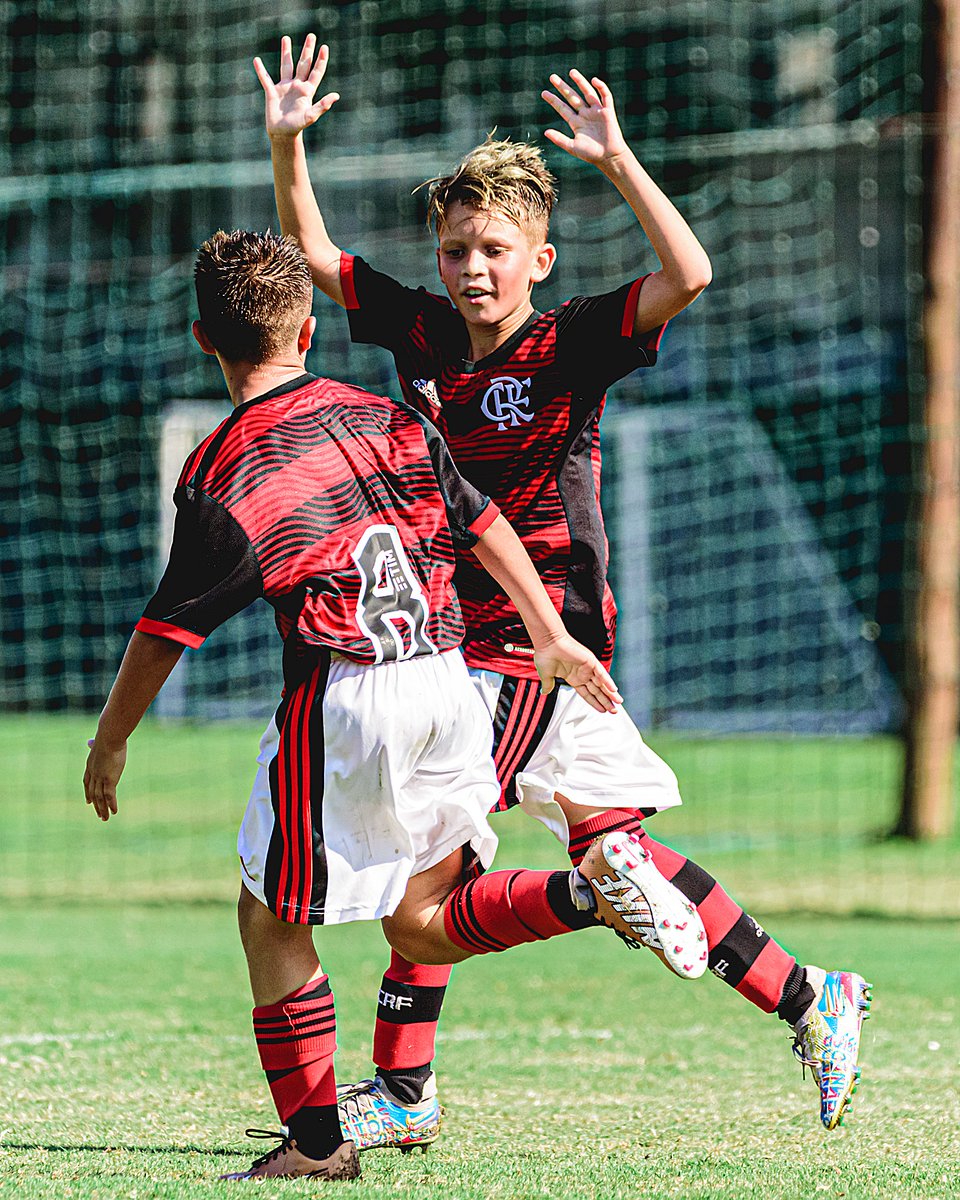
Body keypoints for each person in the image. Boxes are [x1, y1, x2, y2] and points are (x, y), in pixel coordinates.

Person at [254, 33, 873, 1144]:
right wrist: (286, 143)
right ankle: (809, 994)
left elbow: (690, 276)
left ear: (538, 259)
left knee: (429, 883)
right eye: (456, 249)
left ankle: (405, 1089)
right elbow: (315, 254)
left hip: (528, 646)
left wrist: (619, 161)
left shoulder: (571, 342)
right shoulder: (423, 330)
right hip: (474, 640)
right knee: (611, 845)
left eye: (494, 249)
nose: (472, 268)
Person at [83, 228, 715, 1182]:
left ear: (203, 339)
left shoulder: (226, 468)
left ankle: (315, 1147)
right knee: (422, 921)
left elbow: (165, 631)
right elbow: (485, 520)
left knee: (270, 916)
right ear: (307, 329)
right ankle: (589, 890)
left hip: (349, 695)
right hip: (448, 677)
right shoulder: (387, 416)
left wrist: (110, 741)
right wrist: (549, 633)